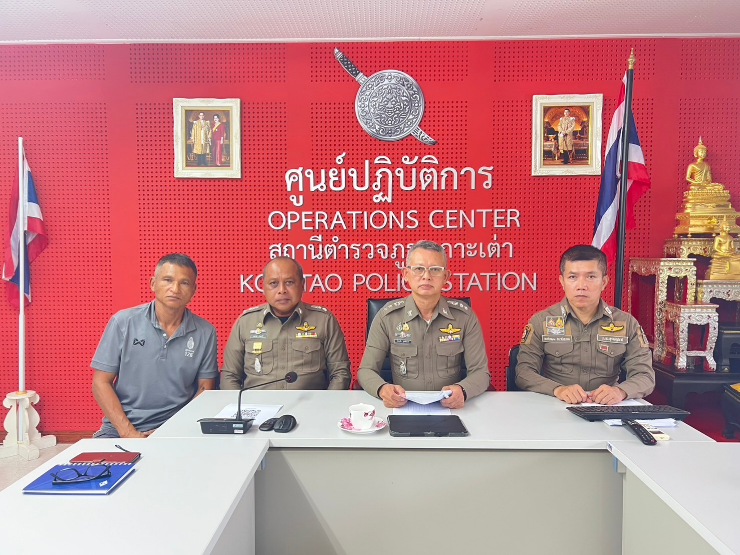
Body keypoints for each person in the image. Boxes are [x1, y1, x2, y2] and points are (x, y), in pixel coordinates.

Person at [91, 254, 218, 438]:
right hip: (121, 427)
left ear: (193, 290)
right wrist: (129, 433)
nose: (175, 289)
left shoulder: (205, 332)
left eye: (184, 283)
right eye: (168, 280)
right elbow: (100, 383)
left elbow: (205, 389)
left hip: (179, 427)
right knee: (97, 458)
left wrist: (172, 430)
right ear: (153, 283)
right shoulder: (123, 322)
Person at [357, 240, 491, 408]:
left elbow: (481, 373)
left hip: (450, 407)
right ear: (406, 274)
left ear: (446, 277)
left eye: (435, 269)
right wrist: (382, 389)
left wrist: (463, 390)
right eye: (419, 269)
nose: (426, 276)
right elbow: (366, 371)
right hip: (402, 407)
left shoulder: (464, 317)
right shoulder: (387, 317)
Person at [516, 245, 655, 404]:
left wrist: (620, 391)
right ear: (562, 281)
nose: (581, 286)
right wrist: (558, 389)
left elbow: (645, 376)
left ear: (604, 282)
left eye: (591, 277)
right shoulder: (541, 321)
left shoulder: (626, 323)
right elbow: (523, 373)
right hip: (556, 403)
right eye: (572, 277)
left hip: (606, 406)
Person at [221, 257, 351, 390]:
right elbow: (229, 376)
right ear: (263, 287)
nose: (282, 290)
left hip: (310, 403)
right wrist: (239, 403)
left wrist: (325, 403)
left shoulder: (324, 320)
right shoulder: (245, 323)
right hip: (257, 402)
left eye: (289, 282)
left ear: (302, 285)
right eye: (273, 283)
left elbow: (340, 373)